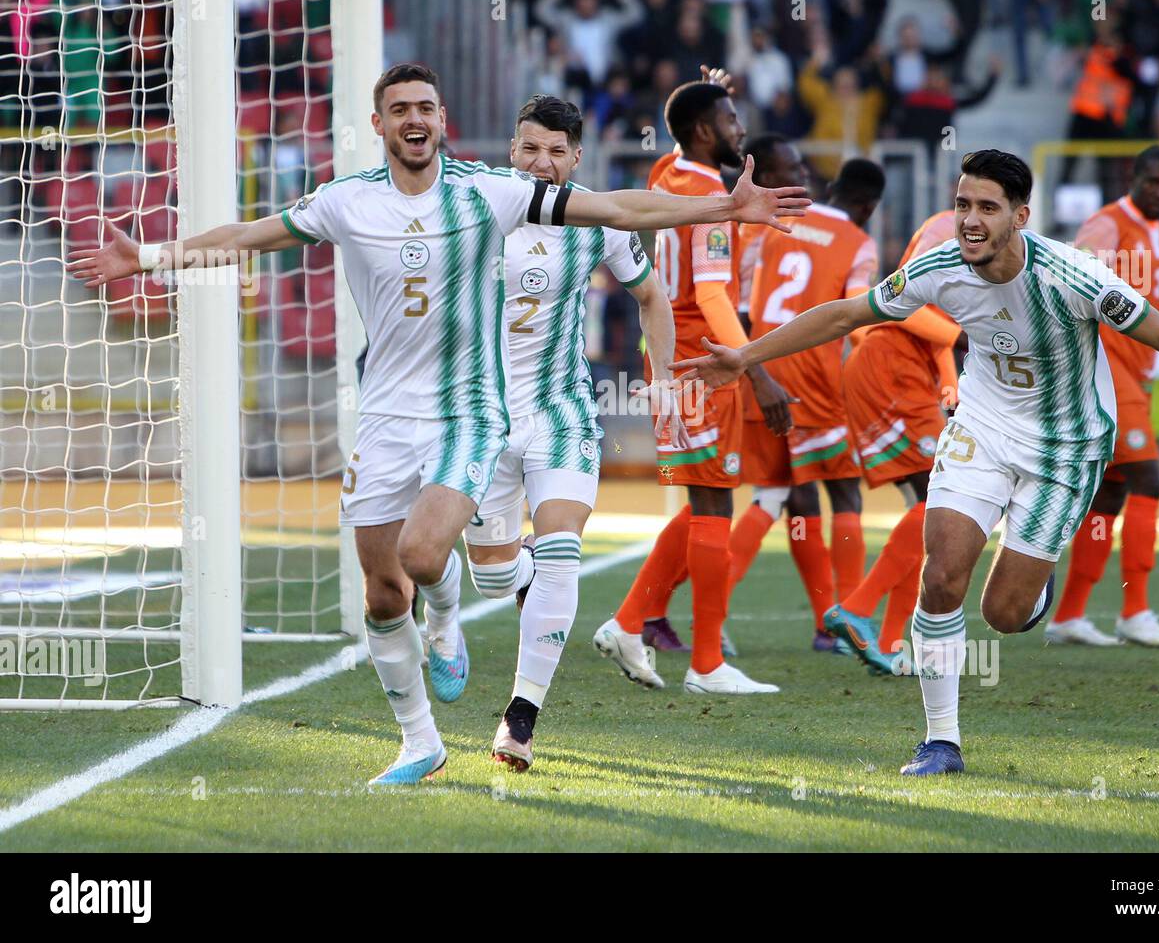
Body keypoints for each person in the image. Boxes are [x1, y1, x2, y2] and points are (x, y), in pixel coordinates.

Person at [69, 63, 809, 784]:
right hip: (386, 416)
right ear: (380, 125)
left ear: (444, 123)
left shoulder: (491, 194)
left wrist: (723, 209)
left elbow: (619, 211)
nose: (414, 119)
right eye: (400, 109)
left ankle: (504, 692)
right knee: (384, 592)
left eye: (426, 107)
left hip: (471, 411)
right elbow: (256, 235)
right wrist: (154, 258)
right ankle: (421, 737)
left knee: (428, 558)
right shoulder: (345, 201)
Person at [672, 149, 1159, 776]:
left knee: (1004, 614)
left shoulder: (1074, 276)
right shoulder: (940, 266)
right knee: (942, 575)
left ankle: (1030, 584)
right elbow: (846, 313)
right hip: (981, 428)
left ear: (1020, 216)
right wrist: (745, 355)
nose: (970, 220)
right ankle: (941, 742)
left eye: (987, 208)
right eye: (962, 205)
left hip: (1066, 447)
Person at [458, 94, 684, 771]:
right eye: (530, 148)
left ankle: (520, 719)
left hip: (561, 409)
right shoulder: (477, 202)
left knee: (562, 551)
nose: (542, 162)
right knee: (493, 579)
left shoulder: (595, 218)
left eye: (557, 151)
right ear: (511, 149)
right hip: (483, 415)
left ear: (576, 158)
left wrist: (664, 377)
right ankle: (517, 572)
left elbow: (650, 295)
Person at [593, 79, 792, 695]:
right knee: (712, 508)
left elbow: (675, 144)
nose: (741, 131)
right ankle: (706, 663)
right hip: (702, 360)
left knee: (707, 498)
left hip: (668, 356)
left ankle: (629, 624)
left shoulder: (667, 172)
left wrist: (705, 95)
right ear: (705, 131)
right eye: (731, 119)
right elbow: (710, 290)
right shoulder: (713, 198)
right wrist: (755, 367)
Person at [726, 143, 883, 651]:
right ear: (868, 206)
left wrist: (754, 364)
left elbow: (744, 304)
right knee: (844, 493)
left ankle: (813, 622)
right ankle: (849, 619)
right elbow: (858, 320)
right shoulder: (858, 242)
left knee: (782, 495)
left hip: (763, 367)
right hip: (816, 376)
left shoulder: (768, 224)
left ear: (832, 189)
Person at [1049, 146, 1159, 647]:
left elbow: (1156, 308)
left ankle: (1069, 616)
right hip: (1106, 369)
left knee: (1112, 492)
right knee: (1150, 476)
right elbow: (1073, 286)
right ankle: (1136, 610)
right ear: (1134, 176)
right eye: (1155, 182)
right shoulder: (1106, 225)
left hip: (1139, 373)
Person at [821, 209, 964, 673]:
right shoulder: (952, 231)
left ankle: (888, 641)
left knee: (929, 514)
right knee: (939, 498)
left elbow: (942, 335)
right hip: (890, 371)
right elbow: (907, 300)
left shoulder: (969, 232)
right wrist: (958, 336)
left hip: (902, 372)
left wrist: (949, 384)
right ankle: (857, 609)